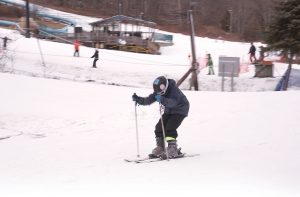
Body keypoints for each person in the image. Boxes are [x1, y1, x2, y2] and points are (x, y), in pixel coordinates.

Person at [132, 76, 190, 158]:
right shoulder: (158, 90)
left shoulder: (174, 90)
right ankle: (160, 147)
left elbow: (173, 103)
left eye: (161, 92)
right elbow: (149, 100)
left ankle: (172, 148)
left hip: (180, 110)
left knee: (170, 128)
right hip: (169, 110)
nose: (159, 94)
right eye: (158, 93)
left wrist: (162, 99)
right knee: (159, 127)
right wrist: (138, 100)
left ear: (165, 87)